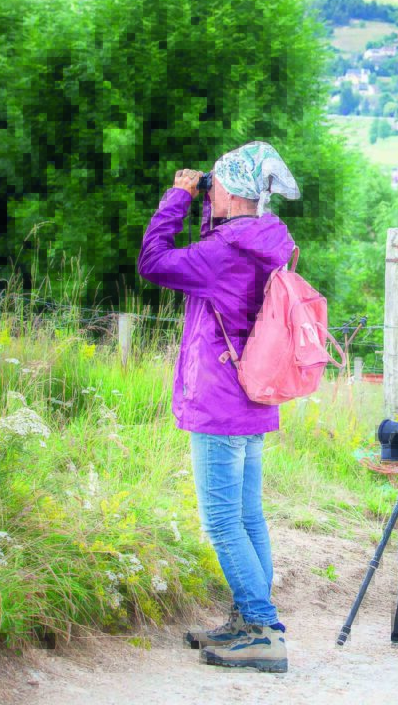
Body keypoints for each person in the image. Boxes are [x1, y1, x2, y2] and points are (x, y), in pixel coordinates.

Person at [136, 141, 301, 675]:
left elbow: (152, 262)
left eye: (215, 184)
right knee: (248, 516)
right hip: (252, 397)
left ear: (228, 190)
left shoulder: (223, 252)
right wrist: (208, 204)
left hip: (218, 403)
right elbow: (218, 240)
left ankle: (263, 629)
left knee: (223, 521)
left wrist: (177, 199)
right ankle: (246, 621)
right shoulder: (267, 242)